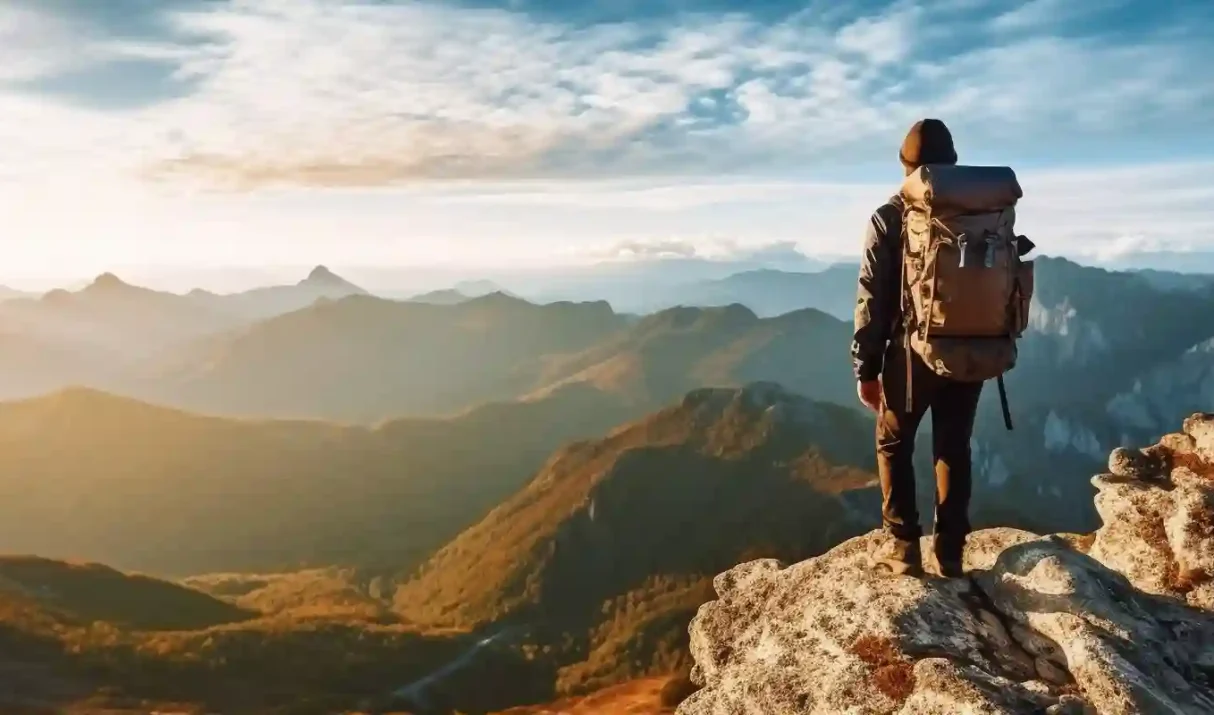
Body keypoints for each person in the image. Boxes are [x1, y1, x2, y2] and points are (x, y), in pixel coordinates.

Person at [851, 118, 983, 579]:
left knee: (893, 441)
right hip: (974, 344)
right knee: (953, 446)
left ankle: (903, 547)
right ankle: (950, 554)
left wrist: (865, 368)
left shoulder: (890, 215)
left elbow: (873, 297)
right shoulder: (980, 210)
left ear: (906, 166)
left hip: (913, 352)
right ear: (952, 163)